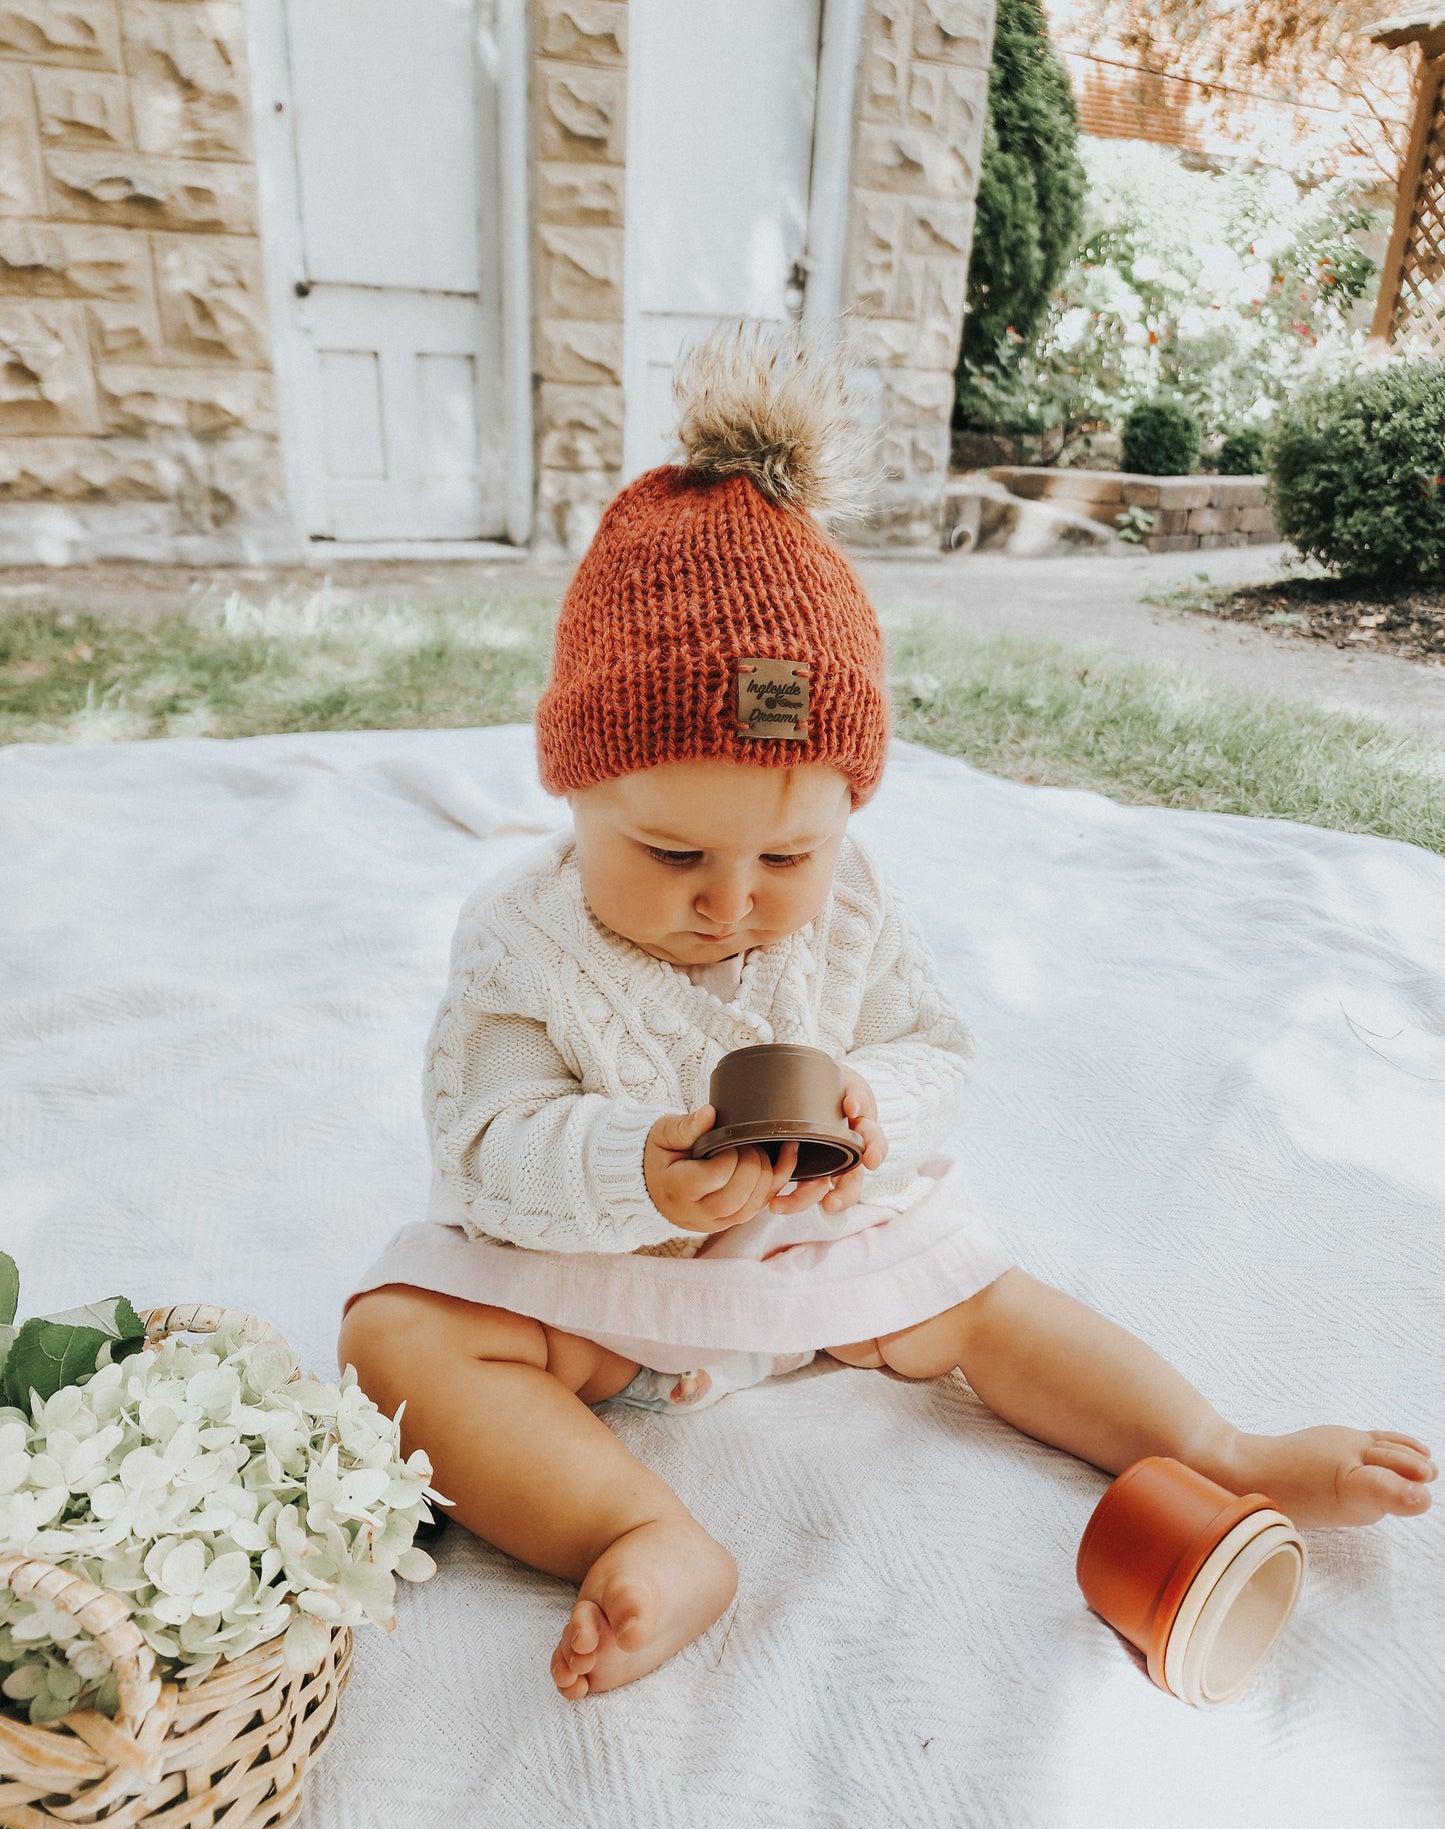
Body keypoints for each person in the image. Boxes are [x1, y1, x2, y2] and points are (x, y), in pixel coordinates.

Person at [338, 324, 1435, 1701]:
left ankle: (1212, 1447)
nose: (730, 904)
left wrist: (878, 1108)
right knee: (395, 1337)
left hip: (823, 1254)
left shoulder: (854, 906)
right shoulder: (522, 937)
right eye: (671, 855)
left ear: (846, 816)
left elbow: (931, 1047)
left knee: (985, 1297)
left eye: (786, 856)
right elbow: (486, 1143)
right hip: (603, 1289)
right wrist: (633, 1168)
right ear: (571, 789)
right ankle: (641, 1529)